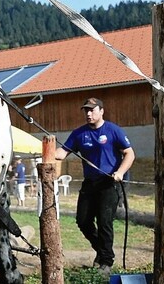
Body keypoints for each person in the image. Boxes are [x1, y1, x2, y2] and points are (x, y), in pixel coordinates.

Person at [55, 97, 135, 277]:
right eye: (86, 110)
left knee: (104, 222)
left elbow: (130, 154)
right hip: (90, 184)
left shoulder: (113, 130)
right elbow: (61, 153)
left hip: (109, 183)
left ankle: (106, 262)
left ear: (101, 111)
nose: (89, 113)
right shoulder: (79, 133)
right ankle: (101, 249)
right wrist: (44, 150)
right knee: (82, 220)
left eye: (92, 110)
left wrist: (120, 172)